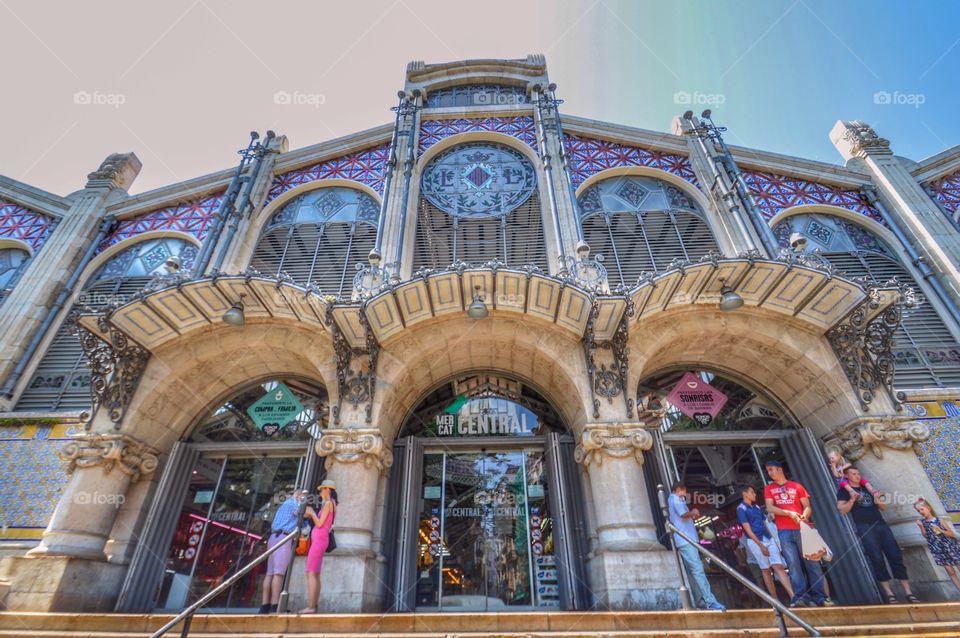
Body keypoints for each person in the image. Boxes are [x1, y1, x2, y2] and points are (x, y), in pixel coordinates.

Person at [836, 466, 918, 604]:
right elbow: (842, 510)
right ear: (846, 476)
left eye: (858, 473)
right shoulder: (844, 491)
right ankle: (889, 594)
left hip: (881, 525)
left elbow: (883, 507)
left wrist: (877, 498)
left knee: (895, 555)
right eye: (853, 474)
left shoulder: (868, 488)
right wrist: (852, 500)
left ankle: (908, 592)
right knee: (877, 558)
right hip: (864, 527)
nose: (857, 475)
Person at [763, 459, 832, 607]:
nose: (769, 473)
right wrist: (788, 513)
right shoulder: (769, 489)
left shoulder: (797, 486)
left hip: (802, 528)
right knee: (793, 565)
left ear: (779, 469)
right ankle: (800, 597)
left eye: (771, 469)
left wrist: (805, 516)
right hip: (784, 530)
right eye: (768, 470)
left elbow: (807, 506)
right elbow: (770, 508)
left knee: (812, 563)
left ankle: (820, 596)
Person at [668, 481, 726, 611]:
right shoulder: (676, 499)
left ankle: (700, 600)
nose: (685, 494)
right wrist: (693, 511)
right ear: (679, 489)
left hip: (684, 540)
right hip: (686, 540)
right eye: (684, 491)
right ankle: (709, 601)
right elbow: (683, 515)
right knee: (698, 570)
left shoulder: (673, 500)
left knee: (692, 572)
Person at [737, 485, 794, 602]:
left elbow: (766, 524)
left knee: (778, 566)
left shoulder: (757, 507)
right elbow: (748, 530)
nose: (754, 494)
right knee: (765, 570)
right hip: (755, 541)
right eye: (752, 492)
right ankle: (775, 600)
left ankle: (793, 596)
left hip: (768, 538)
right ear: (745, 493)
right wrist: (760, 545)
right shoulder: (741, 509)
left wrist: (774, 541)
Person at [259, 488, 304, 614]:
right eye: (302, 497)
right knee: (278, 573)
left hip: (273, 537)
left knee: (270, 573)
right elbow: (303, 513)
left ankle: (264, 605)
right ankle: (275, 605)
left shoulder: (282, 506)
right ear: (299, 495)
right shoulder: (294, 504)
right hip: (284, 538)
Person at [300, 479, 338, 614]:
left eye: (322, 489)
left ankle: (311, 607)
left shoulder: (328, 503)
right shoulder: (330, 504)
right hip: (321, 539)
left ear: (328, 489)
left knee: (310, 572)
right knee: (314, 573)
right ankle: (312, 606)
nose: (320, 491)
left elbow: (320, 523)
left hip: (319, 540)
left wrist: (311, 513)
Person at [915, 497, 960, 592]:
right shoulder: (923, 522)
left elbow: (951, 533)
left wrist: (940, 530)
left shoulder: (939, 520)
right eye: (918, 511)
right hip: (938, 548)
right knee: (950, 571)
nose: (921, 512)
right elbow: (926, 536)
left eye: (922, 509)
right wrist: (921, 526)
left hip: (950, 546)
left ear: (928, 508)